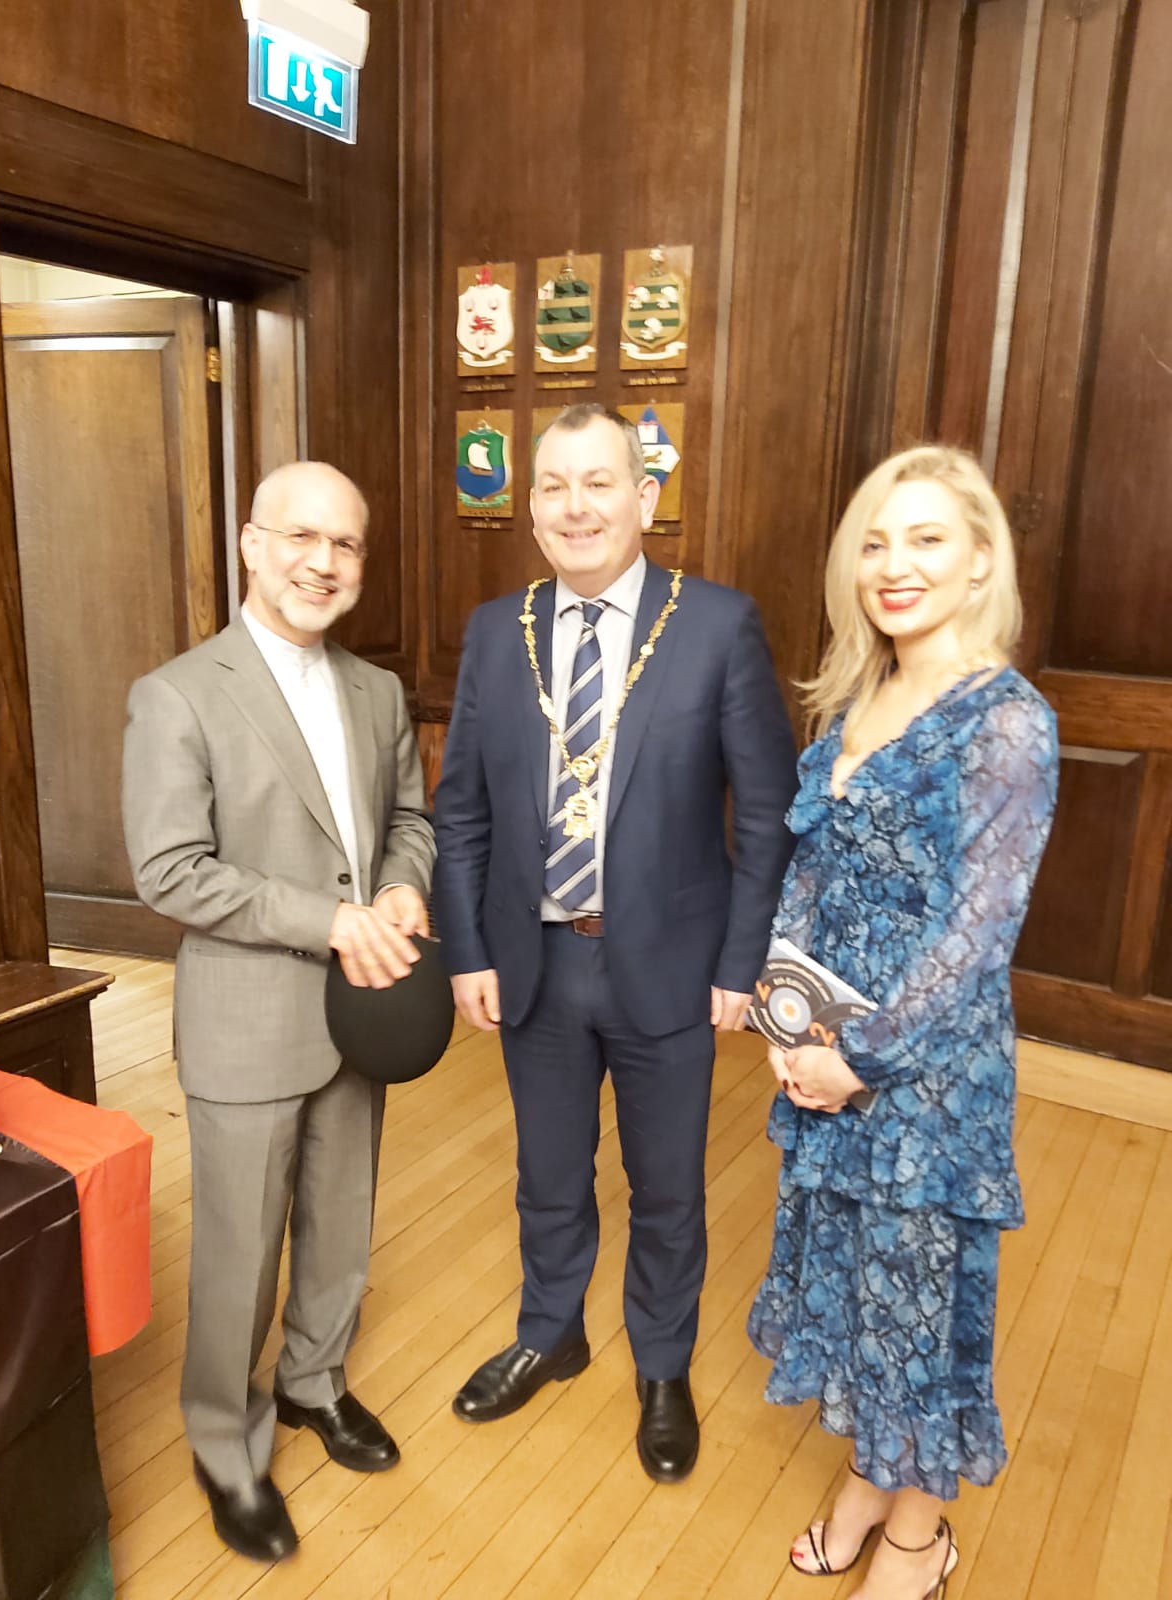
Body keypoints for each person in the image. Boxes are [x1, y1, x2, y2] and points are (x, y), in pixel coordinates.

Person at [433, 404, 798, 1482]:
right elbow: (462, 811)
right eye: (553, 486)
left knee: (667, 1187)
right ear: (530, 507)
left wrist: (740, 964)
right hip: (534, 961)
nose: (576, 506)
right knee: (547, 1174)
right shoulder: (495, 631)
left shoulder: (717, 625)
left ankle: (663, 1367)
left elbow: (766, 814)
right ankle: (551, 1331)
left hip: (671, 967)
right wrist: (467, 949)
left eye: (600, 482)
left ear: (644, 498)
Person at [747, 445, 1058, 1599]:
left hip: (927, 1077)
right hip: (824, 1047)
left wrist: (859, 1061)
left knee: (920, 1311)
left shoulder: (1008, 721)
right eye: (875, 543)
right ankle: (868, 1481)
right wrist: (786, 1019)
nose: (895, 564)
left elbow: (978, 935)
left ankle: (919, 1538)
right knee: (858, 1285)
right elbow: (810, 870)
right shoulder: (857, 696)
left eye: (926, 538)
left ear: (980, 560)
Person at [122, 462, 435, 1564]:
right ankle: (226, 1444)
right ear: (252, 545)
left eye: (346, 544)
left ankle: (314, 1382)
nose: (323, 562)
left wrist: (401, 888)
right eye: (301, 537)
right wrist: (329, 919)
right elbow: (170, 870)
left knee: (342, 1221)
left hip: (362, 1006)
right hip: (248, 1019)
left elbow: (409, 821)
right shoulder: (177, 695)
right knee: (239, 1252)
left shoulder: (378, 691)